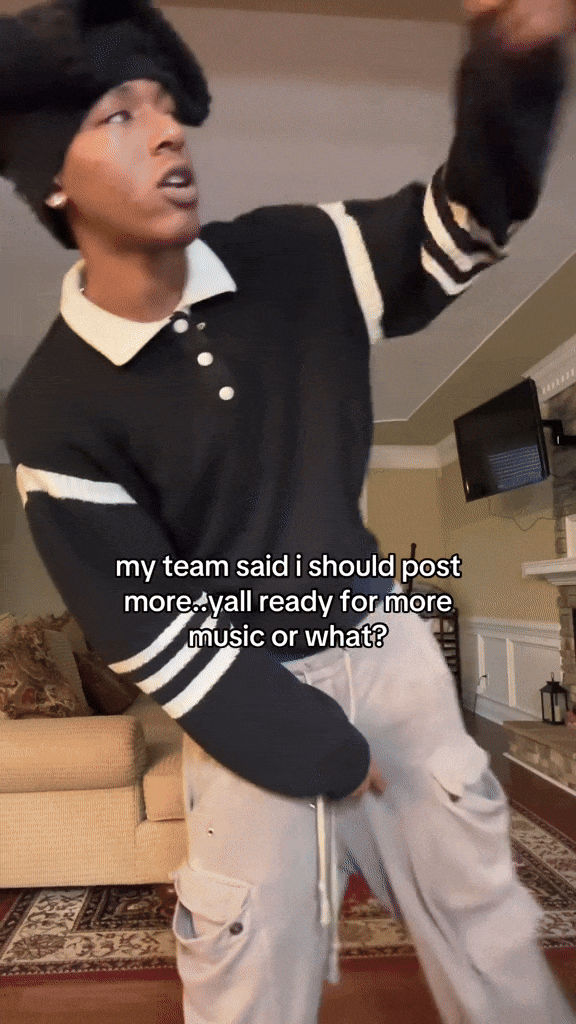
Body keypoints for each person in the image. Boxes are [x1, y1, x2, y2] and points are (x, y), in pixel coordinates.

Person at [1, 1, 575, 1021]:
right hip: (241, 700)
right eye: (121, 116)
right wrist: (320, 751)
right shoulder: (52, 408)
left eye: (165, 105)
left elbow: (461, 231)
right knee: (246, 979)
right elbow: (144, 624)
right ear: (53, 176)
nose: (169, 131)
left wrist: (513, 62)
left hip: (387, 651)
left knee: (489, 932)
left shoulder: (301, 251)